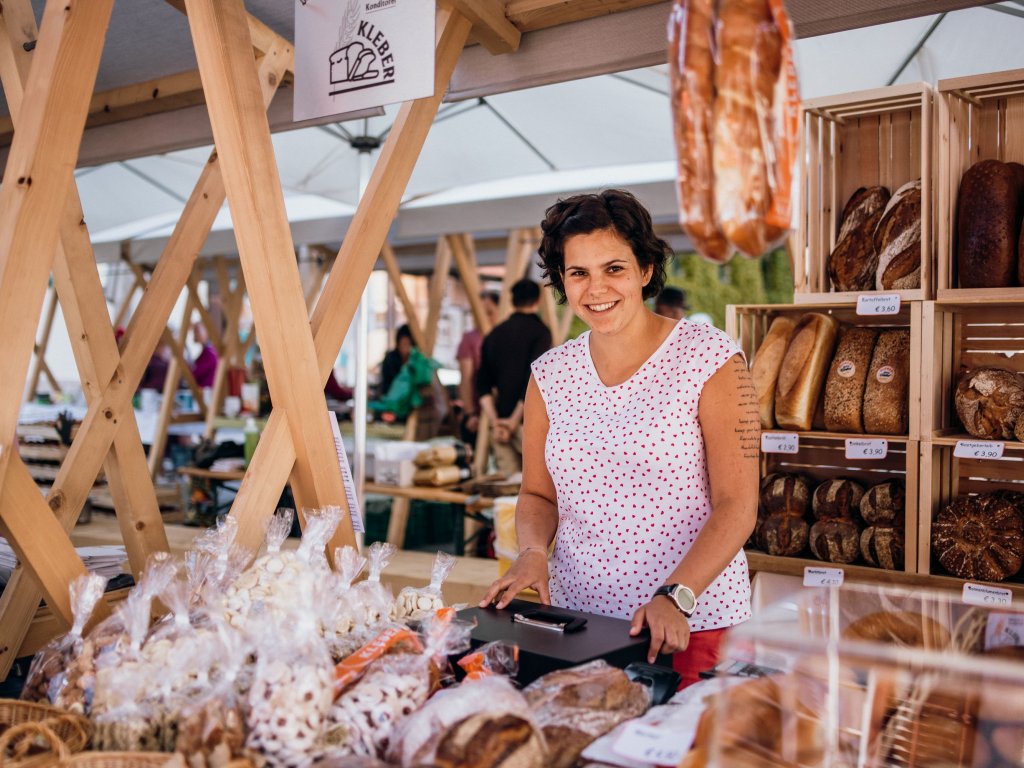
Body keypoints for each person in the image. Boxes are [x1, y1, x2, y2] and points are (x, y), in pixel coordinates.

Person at [479, 189, 759, 688]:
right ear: (562, 281)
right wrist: (532, 552)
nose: (596, 288)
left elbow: (737, 504)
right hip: (576, 624)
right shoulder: (550, 373)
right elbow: (538, 493)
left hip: (690, 624)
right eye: (578, 273)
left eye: (614, 268)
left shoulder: (709, 357)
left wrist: (677, 595)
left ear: (646, 270)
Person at [476, 279, 551, 475]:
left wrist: (496, 422)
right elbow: (534, 379)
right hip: (528, 424)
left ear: (511, 300)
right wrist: (513, 421)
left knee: (508, 492)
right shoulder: (541, 333)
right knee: (536, 487)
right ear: (538, 300)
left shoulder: (494, 335)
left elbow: (482, 384)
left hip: (500, 423)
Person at [456, 291, 500, 442]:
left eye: (490, 312)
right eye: (481, 313)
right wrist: (470, 413)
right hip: (478, 412)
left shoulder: (503, 336)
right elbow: (465, 379)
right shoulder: (470, 339)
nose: (485, 318)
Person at [379, 324, 415, 398]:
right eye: (403, 344)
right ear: (398, 344)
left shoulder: (415, 361)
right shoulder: (390, 359)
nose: (405, 348)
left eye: (407, 344)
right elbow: (386, 385)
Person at [190, 322, 218, 389]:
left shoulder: (209, 353)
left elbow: (195, 374)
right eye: (194, 331)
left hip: (207, 391)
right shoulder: (207, 351)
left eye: (197, 330)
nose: (195, 334)